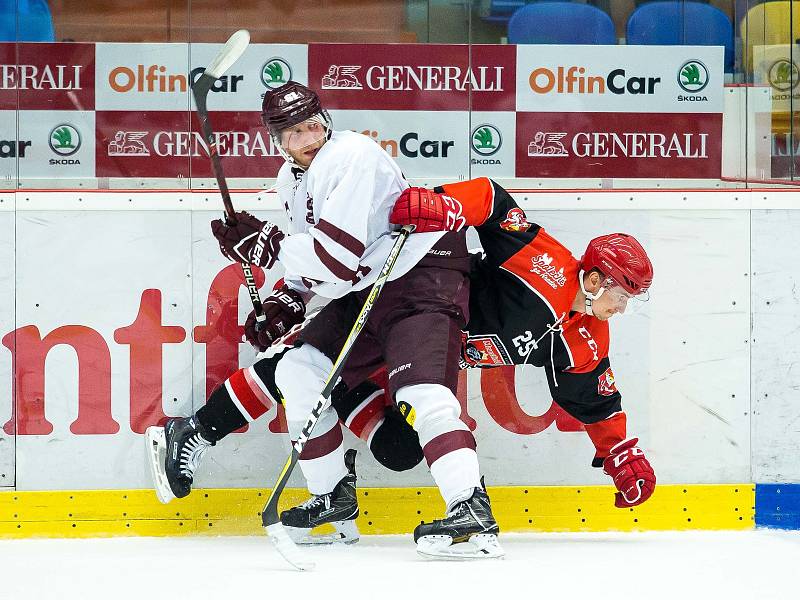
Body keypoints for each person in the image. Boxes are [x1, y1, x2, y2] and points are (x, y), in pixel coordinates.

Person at [146, 81, 502, 560]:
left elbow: (336, 260)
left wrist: (267, 248)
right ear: (277, 141)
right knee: (297, 369)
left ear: (326, 120)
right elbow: (324, 267)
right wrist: (290, 299)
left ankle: (472, 509)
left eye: (313, 125)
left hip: (422, 275)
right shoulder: (289, 180)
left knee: (421, 393)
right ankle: (333, 496)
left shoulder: (351, 155)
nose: (307, 137)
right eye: (293, 133)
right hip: (369, 285)